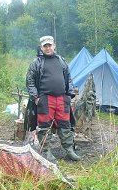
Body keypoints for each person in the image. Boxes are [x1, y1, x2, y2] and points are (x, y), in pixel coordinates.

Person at [26, 35, 80, 163]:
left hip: (62, 99)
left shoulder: (61, 60)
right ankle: (46, 152)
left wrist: (70, 94)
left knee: (65, 125)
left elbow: (68, 77)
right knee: (44, 127)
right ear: (41, 47)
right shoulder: (36, 62)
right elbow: (30, 81)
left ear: (54, 46)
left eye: (50, 45)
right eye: (45, 46)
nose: (48, 48)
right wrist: (36, 98)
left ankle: (69, 150)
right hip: (45, 99)